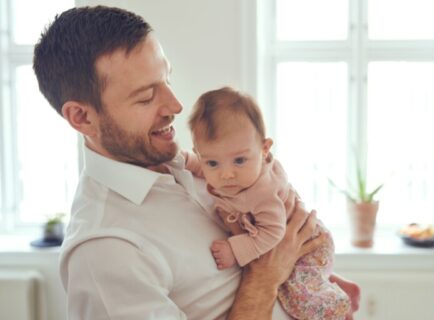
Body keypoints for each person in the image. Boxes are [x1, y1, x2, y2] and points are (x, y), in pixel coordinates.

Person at [33, 5, 359, 320]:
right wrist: (264, 279)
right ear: (81, 117)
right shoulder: (105, 252)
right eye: (146, 97)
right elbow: (263, 270)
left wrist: (312, 286)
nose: (175, 105)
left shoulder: (180, 162)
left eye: (167, 80)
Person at [181, 86, 356, 319]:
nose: (226, 174)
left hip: (308, 242)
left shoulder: (263, 193)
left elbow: (273, 232)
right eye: (212, 163)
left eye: (239, 160)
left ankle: (335, 307)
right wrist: (188, 162)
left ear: (264, 149)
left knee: (299, 297)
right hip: (285, 239)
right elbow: (203, 167)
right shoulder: (231, 171)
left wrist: (236, 249)